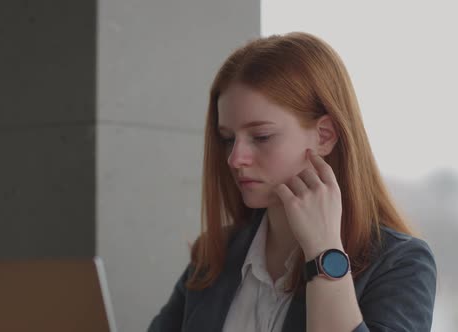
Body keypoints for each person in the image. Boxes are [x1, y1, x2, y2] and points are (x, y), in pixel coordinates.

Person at [147, 32, 437, 332]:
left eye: (261, 137)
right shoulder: (216, 253)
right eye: (227, 139)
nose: (235, 159)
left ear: (324, 136)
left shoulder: (400, 263)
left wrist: (324, 252)